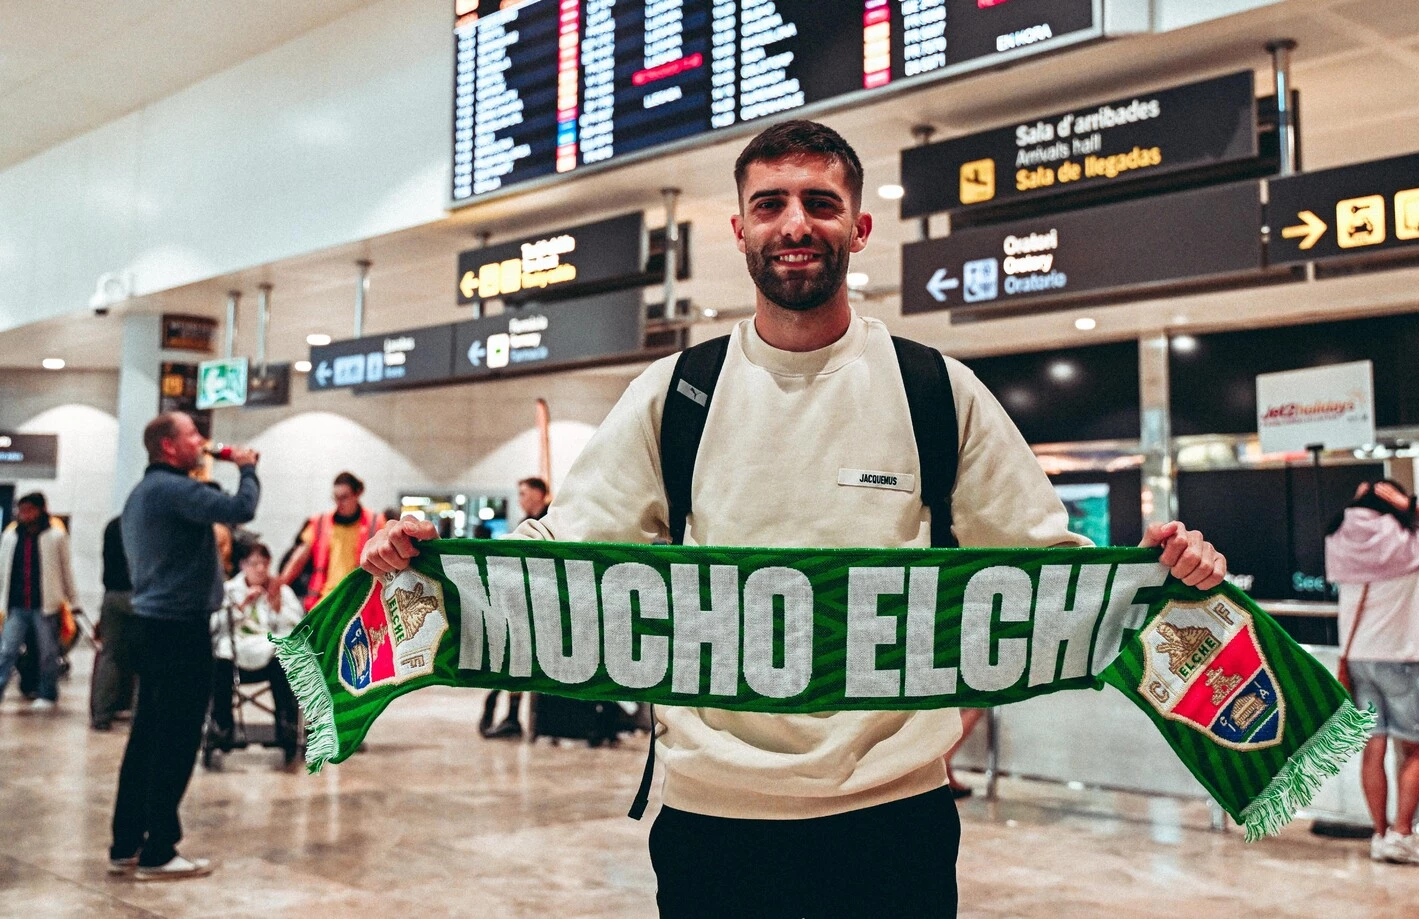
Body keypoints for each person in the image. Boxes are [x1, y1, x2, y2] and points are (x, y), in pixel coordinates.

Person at [361, 119, 1227, 917]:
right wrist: (430, 561)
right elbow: (562, 551)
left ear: (860, 226)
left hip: (893, 817)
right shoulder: (676, 394)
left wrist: (1160, 569)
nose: (795, 224)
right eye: (769, 203)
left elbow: (1049, 564)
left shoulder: (935, 389)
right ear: (737, 229)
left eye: (821, 202)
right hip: (712, 820)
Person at [112, 412, 260, 881]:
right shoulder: (173, 489)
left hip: (155, 627)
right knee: (176, 739)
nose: (203, 441)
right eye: (193, 435)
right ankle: (159, 851)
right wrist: (249, 466)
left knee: (147, 738)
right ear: (170, 448)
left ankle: (126, 843)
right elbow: (241, 510)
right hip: (179, 631)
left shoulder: (145, 492)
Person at [1325, 479, 1419, 866]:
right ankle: (1402, 835)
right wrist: (1411, 506)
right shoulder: (1408, 535)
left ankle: (1379, 833)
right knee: (1418, 746)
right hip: (1402, 655)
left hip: (1358, 657)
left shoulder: (1338, 537)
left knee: (1374, 745)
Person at [209, 543, 302, 763]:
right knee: (219, 660)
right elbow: (215, 625)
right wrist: (241, 607)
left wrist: (278, 607)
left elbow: (297, 627)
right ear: (243, 565)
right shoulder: (229, 590)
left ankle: (285, 724)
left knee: (283, 659)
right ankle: (223, 725)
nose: (260, 569)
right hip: (236, 652)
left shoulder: (281, 590)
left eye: (264, 563)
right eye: (254, 564)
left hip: (267, 651)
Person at [479, 477, 553, 739]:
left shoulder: (553, 521)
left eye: (524, 493)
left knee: (520, 661)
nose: (520, 497)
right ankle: (509, 715)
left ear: (539, 494)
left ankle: (510, 715)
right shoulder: (525, 523)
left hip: (543, 604)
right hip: (523, 602)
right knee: (514, 660)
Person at [0, 492, 80, 712]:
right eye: (20, 509)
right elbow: (3, 570)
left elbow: (66, 570)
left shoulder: (55, 536)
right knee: (7, 651)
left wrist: (74, 601)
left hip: (46, 604)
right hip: (16, 605)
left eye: (28, 509)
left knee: (48, 653)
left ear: (40, 510)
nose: (23, 514)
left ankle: (47, 693)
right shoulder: (10, 536)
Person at [276, 471, 382, 609]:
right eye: (335, 497)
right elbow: (297, 560)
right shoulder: (320, 523)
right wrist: (279, 586)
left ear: (358, 493)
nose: (339, 503)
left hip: (360, 601)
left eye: (344, 497)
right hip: (324, 601)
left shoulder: (375, 523)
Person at [90, 515, 138, 730]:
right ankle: (140, 717)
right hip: (141, 596)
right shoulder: (146, 522)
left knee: (110, 656)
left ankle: (101, 715)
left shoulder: (112, 525)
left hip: (112, 595)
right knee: (144, 659)